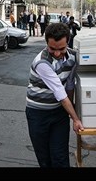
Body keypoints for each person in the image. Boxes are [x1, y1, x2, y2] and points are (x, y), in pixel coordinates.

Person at [25, 22, 85, 167]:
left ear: (68, 42)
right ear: (46, 43)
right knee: (45, 158)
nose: (57, 54)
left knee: (60, 157)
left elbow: (70, 85)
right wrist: (76, 119)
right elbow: (61, 93)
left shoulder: (73, 57)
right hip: (38, 114)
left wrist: (70, 113)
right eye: (52, 49)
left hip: (59, 113)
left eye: (62, 49)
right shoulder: (42, 62)